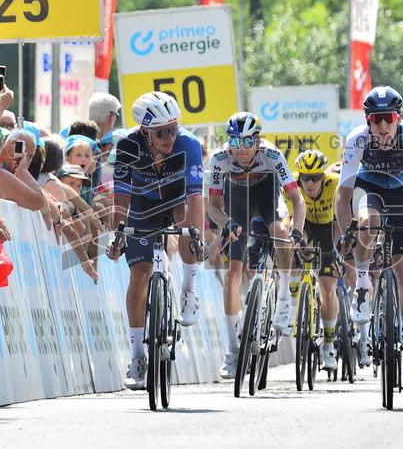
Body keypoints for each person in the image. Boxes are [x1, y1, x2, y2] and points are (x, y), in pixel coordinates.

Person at [335, 86, 403, 388]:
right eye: (375, 119)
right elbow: (342, 195)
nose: (382, 126)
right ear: (367, 120)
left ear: (398, 118)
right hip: (372, 188)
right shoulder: (357, 140)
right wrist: (347, 232)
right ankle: (363, 283)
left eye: (387, 119)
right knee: (366, 223)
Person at [107, 92, 206, 390]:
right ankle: (137, 356)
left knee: (189, 225)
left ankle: (188, 288)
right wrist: (119, 233)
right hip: (141, 207)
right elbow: (121, 197)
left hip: (177, 201)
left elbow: (195, 196)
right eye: (161, 132)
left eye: (174, 128)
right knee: (139, 275)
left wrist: (197, 237)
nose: (169, 136)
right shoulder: (127, 146)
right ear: (144, 131)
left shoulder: (189, 145)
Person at [207, 111, 304, 379]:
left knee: (281, 233)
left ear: (258, 141)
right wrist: (226, 223)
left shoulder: (271, 155)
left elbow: (297, 199)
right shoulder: (219, 158)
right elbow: (213, 208)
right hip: (236, 204)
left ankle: (284, 298)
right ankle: (233, 348)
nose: (240, 150)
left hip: (267, 198)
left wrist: (297, 231)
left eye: (247, 143)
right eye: (234, 143)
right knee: (232, 275)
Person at [284, 149, 340, 371]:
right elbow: (292, 220)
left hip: (328, 230)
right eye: (305, 177)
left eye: (315, 177)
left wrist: (337, 248)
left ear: (323, 177)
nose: (309, 182)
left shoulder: (335, 183)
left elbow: (344, 214)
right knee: (292, 244)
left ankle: (328, 345)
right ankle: (292, 299)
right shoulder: (291, 185)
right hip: (305, 226)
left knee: (327, 288)